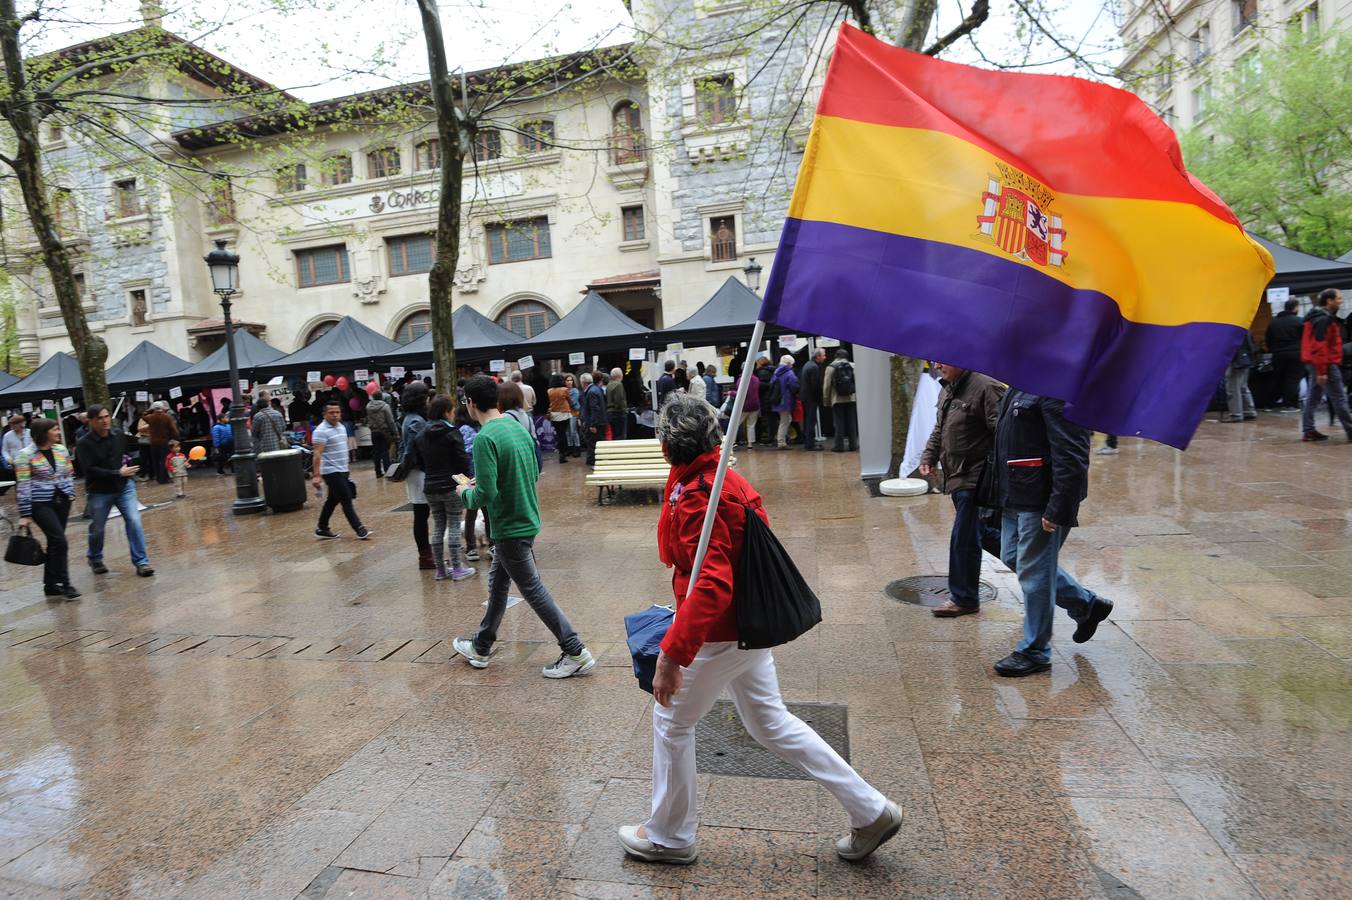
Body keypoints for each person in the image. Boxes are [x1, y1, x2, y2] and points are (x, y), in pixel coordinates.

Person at [619, 393, 900, 866]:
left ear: (670, 445)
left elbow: (711, 584)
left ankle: (668, 835)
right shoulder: (713, 478)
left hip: (722, 632)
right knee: (770, 722)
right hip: (744, 629)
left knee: (671, 722)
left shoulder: (701, 493)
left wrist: (672, 655)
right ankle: (870, 810)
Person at [452, 375, 596, 678]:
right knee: (498, 584)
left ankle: (575, 650)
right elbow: (529, 471)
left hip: (509, 526)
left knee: (533, 590)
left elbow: (485, 495)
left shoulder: (484, 438)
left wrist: (464, 490)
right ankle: (481, 645)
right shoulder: (516, 427)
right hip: (526, 517)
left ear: (471, 403)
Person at [991, 389, 1113, 676]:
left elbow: (1072, 452)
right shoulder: (1018, 384)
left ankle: (1035, 650)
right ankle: (1086, 604)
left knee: (1034, 572)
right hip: (1015, 492)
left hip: (1040, 498)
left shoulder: (1058, 388)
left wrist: (1059, 507)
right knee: (1013, 556)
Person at [918, 364, 1005, 618]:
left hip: (976, 479)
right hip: (957, 476)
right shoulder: (947, 388)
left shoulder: (986, 386)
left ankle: (964, 598)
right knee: (988, 538)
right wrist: (929, 456)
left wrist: (996, 476)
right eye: (935, 361)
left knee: (963, 539)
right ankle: (1062, 587)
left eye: (942, 360)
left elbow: (1004, 435)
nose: (937, 365)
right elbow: (940, 429)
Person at [77, 404, 154, 578]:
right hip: (99, 491)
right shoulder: (84, 443)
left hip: (124, 487)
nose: (105, 421)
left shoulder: (118, 434)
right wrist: (116, 472)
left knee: (134, 521)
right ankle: (95, 558)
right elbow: (89, 470)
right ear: (91, 421)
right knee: (97, 528)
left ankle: (142, 562)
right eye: (100, 418)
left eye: (106, 416)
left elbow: (130, 450)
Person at [16, 418, 79, 600]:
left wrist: (70, 493)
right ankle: (65, 583)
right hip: (40, 504)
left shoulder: (61, 449)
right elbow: (23, 485)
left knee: (54, 541)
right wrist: (25, 513)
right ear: (43, 433)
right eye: (54, 429)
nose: (58, 432)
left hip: (62, 501)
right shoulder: (25, 455)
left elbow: (68, 472)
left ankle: (50, 584)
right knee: (60, 541)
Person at [419, 395, 476, 581]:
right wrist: (464, 477)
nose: (453, 415)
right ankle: (458, 568)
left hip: (430, 486)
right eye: (452, 411)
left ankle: (441, 570)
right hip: (451, 485)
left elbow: (419, 461)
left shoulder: (422, 433)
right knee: (452, 524)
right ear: (446, 412)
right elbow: (462, 460)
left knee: (437, 526)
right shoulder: (452, 433)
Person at [312, 400, 372, 541]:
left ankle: (322, 527)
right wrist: (316, 475)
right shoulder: (320, 431)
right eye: (331, 413)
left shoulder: (342, 427)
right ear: (324, 414)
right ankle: (359, 529)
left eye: (337, 412)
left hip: (343, 470)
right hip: (331, 471)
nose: (335, 415)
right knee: (346, 499)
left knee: (332, 500)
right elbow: (317, 454)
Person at [1301, 287, 1351, 442]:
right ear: (1329, 301)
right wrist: (1322, 370)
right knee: (1339, 398)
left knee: (1313, 397)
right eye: (1339, 298)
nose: (1341, 301)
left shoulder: (1314, 317)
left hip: (1316, 362)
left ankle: (1308, 430)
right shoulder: (1324, 319)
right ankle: (1350, 430)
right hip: (1325, 363)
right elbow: (1320, 345)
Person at [400, 383, 432, 567]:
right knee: (421, 514)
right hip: (419, 472)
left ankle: (426, 554)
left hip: (417, 471)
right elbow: (413, 449)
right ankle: (425, 555)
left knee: (422, 514)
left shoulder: (411, 418)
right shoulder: (416, 421)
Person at [455, 403, 485, 562]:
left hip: (475, 475)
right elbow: (467, 453)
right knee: (474, 511)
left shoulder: (469, 429)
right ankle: (472, 546)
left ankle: (475, 545)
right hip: (473, 477)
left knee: (476, 511)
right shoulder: (467, 429)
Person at [1267, 297, 1305, 410]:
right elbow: (1306, 338)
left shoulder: (1273, 322)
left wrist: (1273, 349)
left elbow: (1268, 338)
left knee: (1278, 378)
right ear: (1296, 307)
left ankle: (1271, 402)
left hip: (1278, 354)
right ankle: (1289, 403)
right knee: (1293, 379)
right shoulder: (1299, 321)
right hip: (1296, 353)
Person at [823, 348, 858, 452]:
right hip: (851, 398)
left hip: (837, 399)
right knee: (852, 422)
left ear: (836, 356)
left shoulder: (830, 367)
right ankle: (853, 445)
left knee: (838, 423)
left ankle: (839, 446)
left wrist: (826, 400)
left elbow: (827, 386)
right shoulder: (853, 366)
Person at [1223, 330, 1258, 423]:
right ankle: (1249, 411)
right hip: (1245, 359)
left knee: (1232, 388)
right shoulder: (1244, 326)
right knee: (1242, 386)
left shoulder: (1231, 329)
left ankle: (1236, 414)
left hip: (1236, 360)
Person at [141, 401, 178, 483]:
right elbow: (174, 430)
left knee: (156, 461)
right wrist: (176, 438)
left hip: (153, 443)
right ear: (162, 408)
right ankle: (164, 478)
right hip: (164, 442)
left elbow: (143, 416)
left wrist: (149, 410)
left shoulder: (150, 417)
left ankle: (158, 478)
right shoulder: (167, 417)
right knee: (165, 460)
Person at [769, 354, 800, 449]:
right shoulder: (789, 373)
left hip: (778, 399)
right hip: (785, 400)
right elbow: (794, 386)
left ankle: (782, 439)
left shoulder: (776, 372)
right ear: (789, 364)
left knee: (786, 419)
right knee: (785, 420)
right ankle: (781, 442)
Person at [366, 388, 397, 477]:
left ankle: (378, 471)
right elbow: (390, 420)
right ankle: (387, 470)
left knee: (376, 451)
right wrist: (395, 431)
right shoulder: (385, 406)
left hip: (373, 431)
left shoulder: (368, 406)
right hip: (384, 431)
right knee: (385, 451)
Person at [800, 350, 825, 451]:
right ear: (818, 356)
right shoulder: (814, 367)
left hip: (806, 397)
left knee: (808, 421)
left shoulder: (807, 365)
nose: (825, 357)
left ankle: (809, 442)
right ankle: (810, 445)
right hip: (811, 398)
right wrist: (820, 398)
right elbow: (815, 386)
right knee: (811, 421)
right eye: (823, 355)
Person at [579, 372, 607, 466]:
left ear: (583, 383)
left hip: (596, 423)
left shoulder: (591, 392)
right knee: (597, 442)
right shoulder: (597, 389)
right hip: (600, 421)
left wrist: (592, 424)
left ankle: (593, 462)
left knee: (592, 443)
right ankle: (596, 461)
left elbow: (594, 409)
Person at [730, 367, 761, 449]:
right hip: (755, 405)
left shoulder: (741, 379)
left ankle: (731, 442)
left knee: (735, 424)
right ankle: (750, 444)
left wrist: (731, 393)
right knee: (751, 425)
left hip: (743, 406)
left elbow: (740, 393)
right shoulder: (756, 379)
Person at [547, 373, 573, 464]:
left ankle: (561, 452)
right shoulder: (565, 390)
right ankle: (564, 453)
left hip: (554, 414)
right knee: (564, 433)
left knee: (559, 434)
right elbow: (570, 400)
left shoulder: (549, 391)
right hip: (564, 413)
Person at [2, 414, 30, 486]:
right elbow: (4, 450)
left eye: (15, 424)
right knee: (21, 483)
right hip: (16, 464)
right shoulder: (7, 435)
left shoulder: (29, 432)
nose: (13, 426)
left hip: (31, 461)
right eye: (11, 425)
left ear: (22, 423)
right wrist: (8, 459)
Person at [606, 367, 629, 440]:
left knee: (614, 435)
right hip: (618, 414)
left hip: (610, 413)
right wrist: (624, 410)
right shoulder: (618, 385)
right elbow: (619, 401)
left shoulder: (609, 385)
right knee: (621, 435)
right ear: (620, 375)